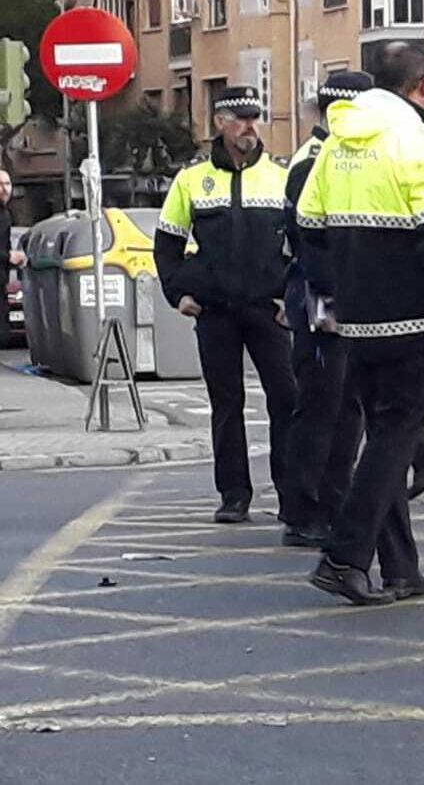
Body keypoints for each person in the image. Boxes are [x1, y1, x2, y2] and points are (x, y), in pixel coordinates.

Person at [298, 43, 424, 605]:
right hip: (415, 317)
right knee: (391, 442)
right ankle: (344, 557)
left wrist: (340, 287)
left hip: (358, 320)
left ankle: (402, 569)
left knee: (386, 438)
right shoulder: (420, 141)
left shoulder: (339, 143)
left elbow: (309, 223)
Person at [154, 86, 297, 524]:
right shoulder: (192, 179)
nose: (251, 126)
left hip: (267, 307)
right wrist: (178, 293)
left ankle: (292, 493)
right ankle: (234, 494)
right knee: (226, 402)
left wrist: (292, 299)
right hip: (215, 309)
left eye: (255, 117)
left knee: (286, 398)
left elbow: (305, 243)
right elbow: (167, 244)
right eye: (241, 118)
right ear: (220, 123)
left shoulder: (281, 176)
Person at [1, 170, 24, 271]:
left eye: (7, 184)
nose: (5, 189)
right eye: (0, 184)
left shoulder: (5, 214)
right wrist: (9, 256)